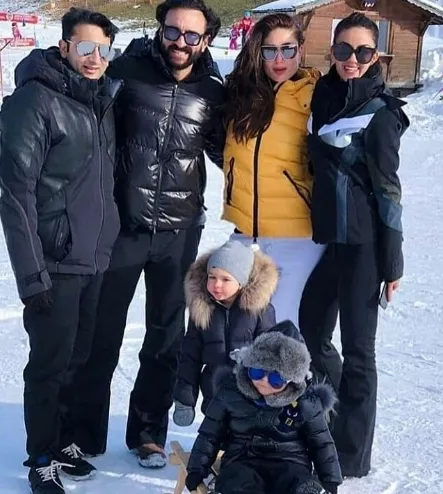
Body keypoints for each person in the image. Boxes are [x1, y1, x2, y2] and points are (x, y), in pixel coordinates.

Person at [70, 0, 226, 469]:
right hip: (122, 225)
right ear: (160, 29)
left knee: (165, 336)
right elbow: (78, 94)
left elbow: (232, 150)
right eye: (173, 31)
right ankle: (84, 434)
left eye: (192, 35)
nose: (180, 42)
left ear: (206, 41)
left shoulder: (212, 90)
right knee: (101, 331)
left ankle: (148, 434)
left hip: (180, 230)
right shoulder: (126, 71)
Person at [0, 7, 120, 493]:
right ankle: (41, 456)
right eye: (85, 47)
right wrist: (32, 275)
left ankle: (63, 439)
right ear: (65, 46)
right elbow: (15, 194)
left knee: (79, 359)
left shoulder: (98, 100)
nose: (95, 58)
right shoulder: (35, 100)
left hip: (92, 259)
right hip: (54, 262)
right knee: (49, 366)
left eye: (104, 50)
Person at [300, 12, 410, 478]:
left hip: (365, 244)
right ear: (332, 51)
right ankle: (334, 417)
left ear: (376, 54)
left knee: (359, 350)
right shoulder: (323, 96)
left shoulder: (381, 113)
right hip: (332, 241)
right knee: (311, 330)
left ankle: (352, 455)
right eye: (344, 49)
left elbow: (389, 191)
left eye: (363, 51)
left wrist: (392, 262)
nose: (353, 59)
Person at [222, 13, 322, 327]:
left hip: (297, 236)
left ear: (301, 50)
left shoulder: (315, 96)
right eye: (270, 50)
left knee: (280, 325)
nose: (279, 59)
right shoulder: (241, 95)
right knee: (232, 324)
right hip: (245, 232)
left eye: (288, 49)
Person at [185, 320, 343, 494]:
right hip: (242, 459)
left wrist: (330, 479)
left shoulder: (306, 403)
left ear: (292, 381)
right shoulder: (231, 392)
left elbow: (321, 443)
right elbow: (209, 435)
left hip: (290, 461)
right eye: (258, 372)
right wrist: (196, 469)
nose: (264, 382)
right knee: (237, 482)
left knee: (299, 481)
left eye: (276, 380)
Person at [172, 240, 278, 426]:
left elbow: (269, 356)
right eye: (212, 277)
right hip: (213, 395)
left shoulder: (260, 311)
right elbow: (189, 357)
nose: (216, 284)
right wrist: (185, 399)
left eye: (225, 279)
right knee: (213, 433)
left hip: (249, 399)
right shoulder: (202, 311)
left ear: (242, 282)